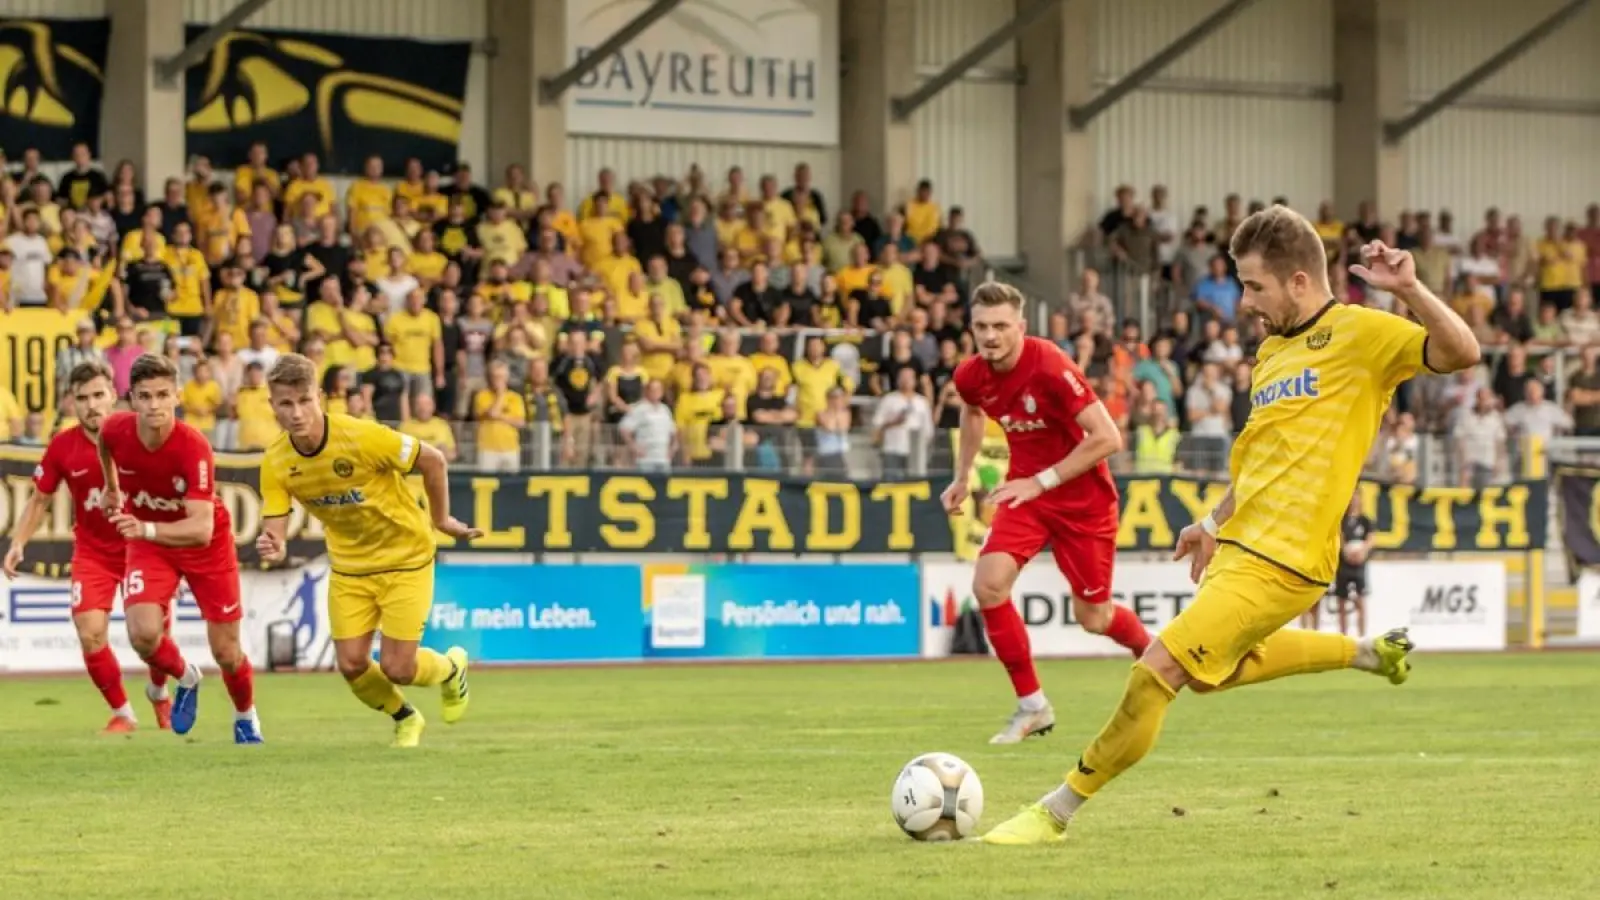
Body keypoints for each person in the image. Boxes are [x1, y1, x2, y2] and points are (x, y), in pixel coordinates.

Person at [981, 206, 1480, 845]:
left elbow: (1462, 351)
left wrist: (1409, 289)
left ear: (1298, 281)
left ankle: (1054, 812)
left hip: (1291, 557)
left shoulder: (1362, 333)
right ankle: (1366, 652)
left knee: (1155, 671)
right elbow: (1261, 458)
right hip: (1240, 545)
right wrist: (1210, 520)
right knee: (1220, 671)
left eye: (1254, 286)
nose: (1245, 302)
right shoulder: (1272, 351)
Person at [941, 282, 1151, 745]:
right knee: (988, 584)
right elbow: (972, 413)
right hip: (1027, 496)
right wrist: (962, 476)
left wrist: (1043, 480)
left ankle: (1151, 652)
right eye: (981, 327)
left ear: (1021, 327)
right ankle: (1032, 705)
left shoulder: (1052, 364)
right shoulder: (971, 375)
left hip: (1083, 502)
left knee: (1093, 618)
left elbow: (1108, 438)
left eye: (1000, 326)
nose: (990, 336)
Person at [253, 354, 481, 748]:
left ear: (320, 398)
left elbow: (433, 460)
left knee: (397, 667)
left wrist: (441, 520)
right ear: (272, 405)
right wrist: (272, 543)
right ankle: (406, 718)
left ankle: (450, 669)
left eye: (304, 400)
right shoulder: (275, 461)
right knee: (352, 664)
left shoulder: (363, 436)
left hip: (406, 558)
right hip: (349, 568)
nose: (296, 413)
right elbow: (275, 528)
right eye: (285, 404)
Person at [96, 354, 263, 743]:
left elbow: (201, 529)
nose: (154, 404)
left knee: (227, 651)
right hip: (150, 543)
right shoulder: (116, 429)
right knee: (142, 634)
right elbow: (104, 444)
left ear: (177, 397)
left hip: (204, 546)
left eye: (162, 395)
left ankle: (245, 715)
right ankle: (187, 676)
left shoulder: (193, 447)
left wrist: (145, 526)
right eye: (145, 396)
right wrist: (112, 487)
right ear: (131, 399)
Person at [3, 361, 173, 733]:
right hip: (94, 552)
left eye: (99, 395)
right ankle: (124, 714)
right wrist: (18, 543)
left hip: (141, 549)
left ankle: (159, 693)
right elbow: (39, 500)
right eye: (83, 398)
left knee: (152, 635)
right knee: (89, 630)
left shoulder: (142, 432)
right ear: (71, 403)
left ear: (115, 395)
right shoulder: (63, 446)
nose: (92, 405)